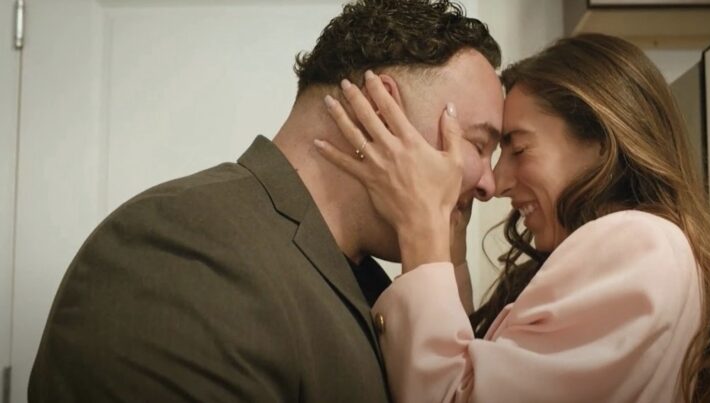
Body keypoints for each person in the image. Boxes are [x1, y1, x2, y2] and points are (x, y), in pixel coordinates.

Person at [28, 1, 505, 401]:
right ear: (380, 109)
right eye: (479, 144)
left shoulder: (371, 283)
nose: (490, 184)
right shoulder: (177, 249)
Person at [315, 33, 710, 403]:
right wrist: (450, 258)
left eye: (519, 149)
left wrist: (423, 230)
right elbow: (482, 374)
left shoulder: (639, 241)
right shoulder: (638, 251)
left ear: (600, 143)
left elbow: (451, 394)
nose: (497, 182)